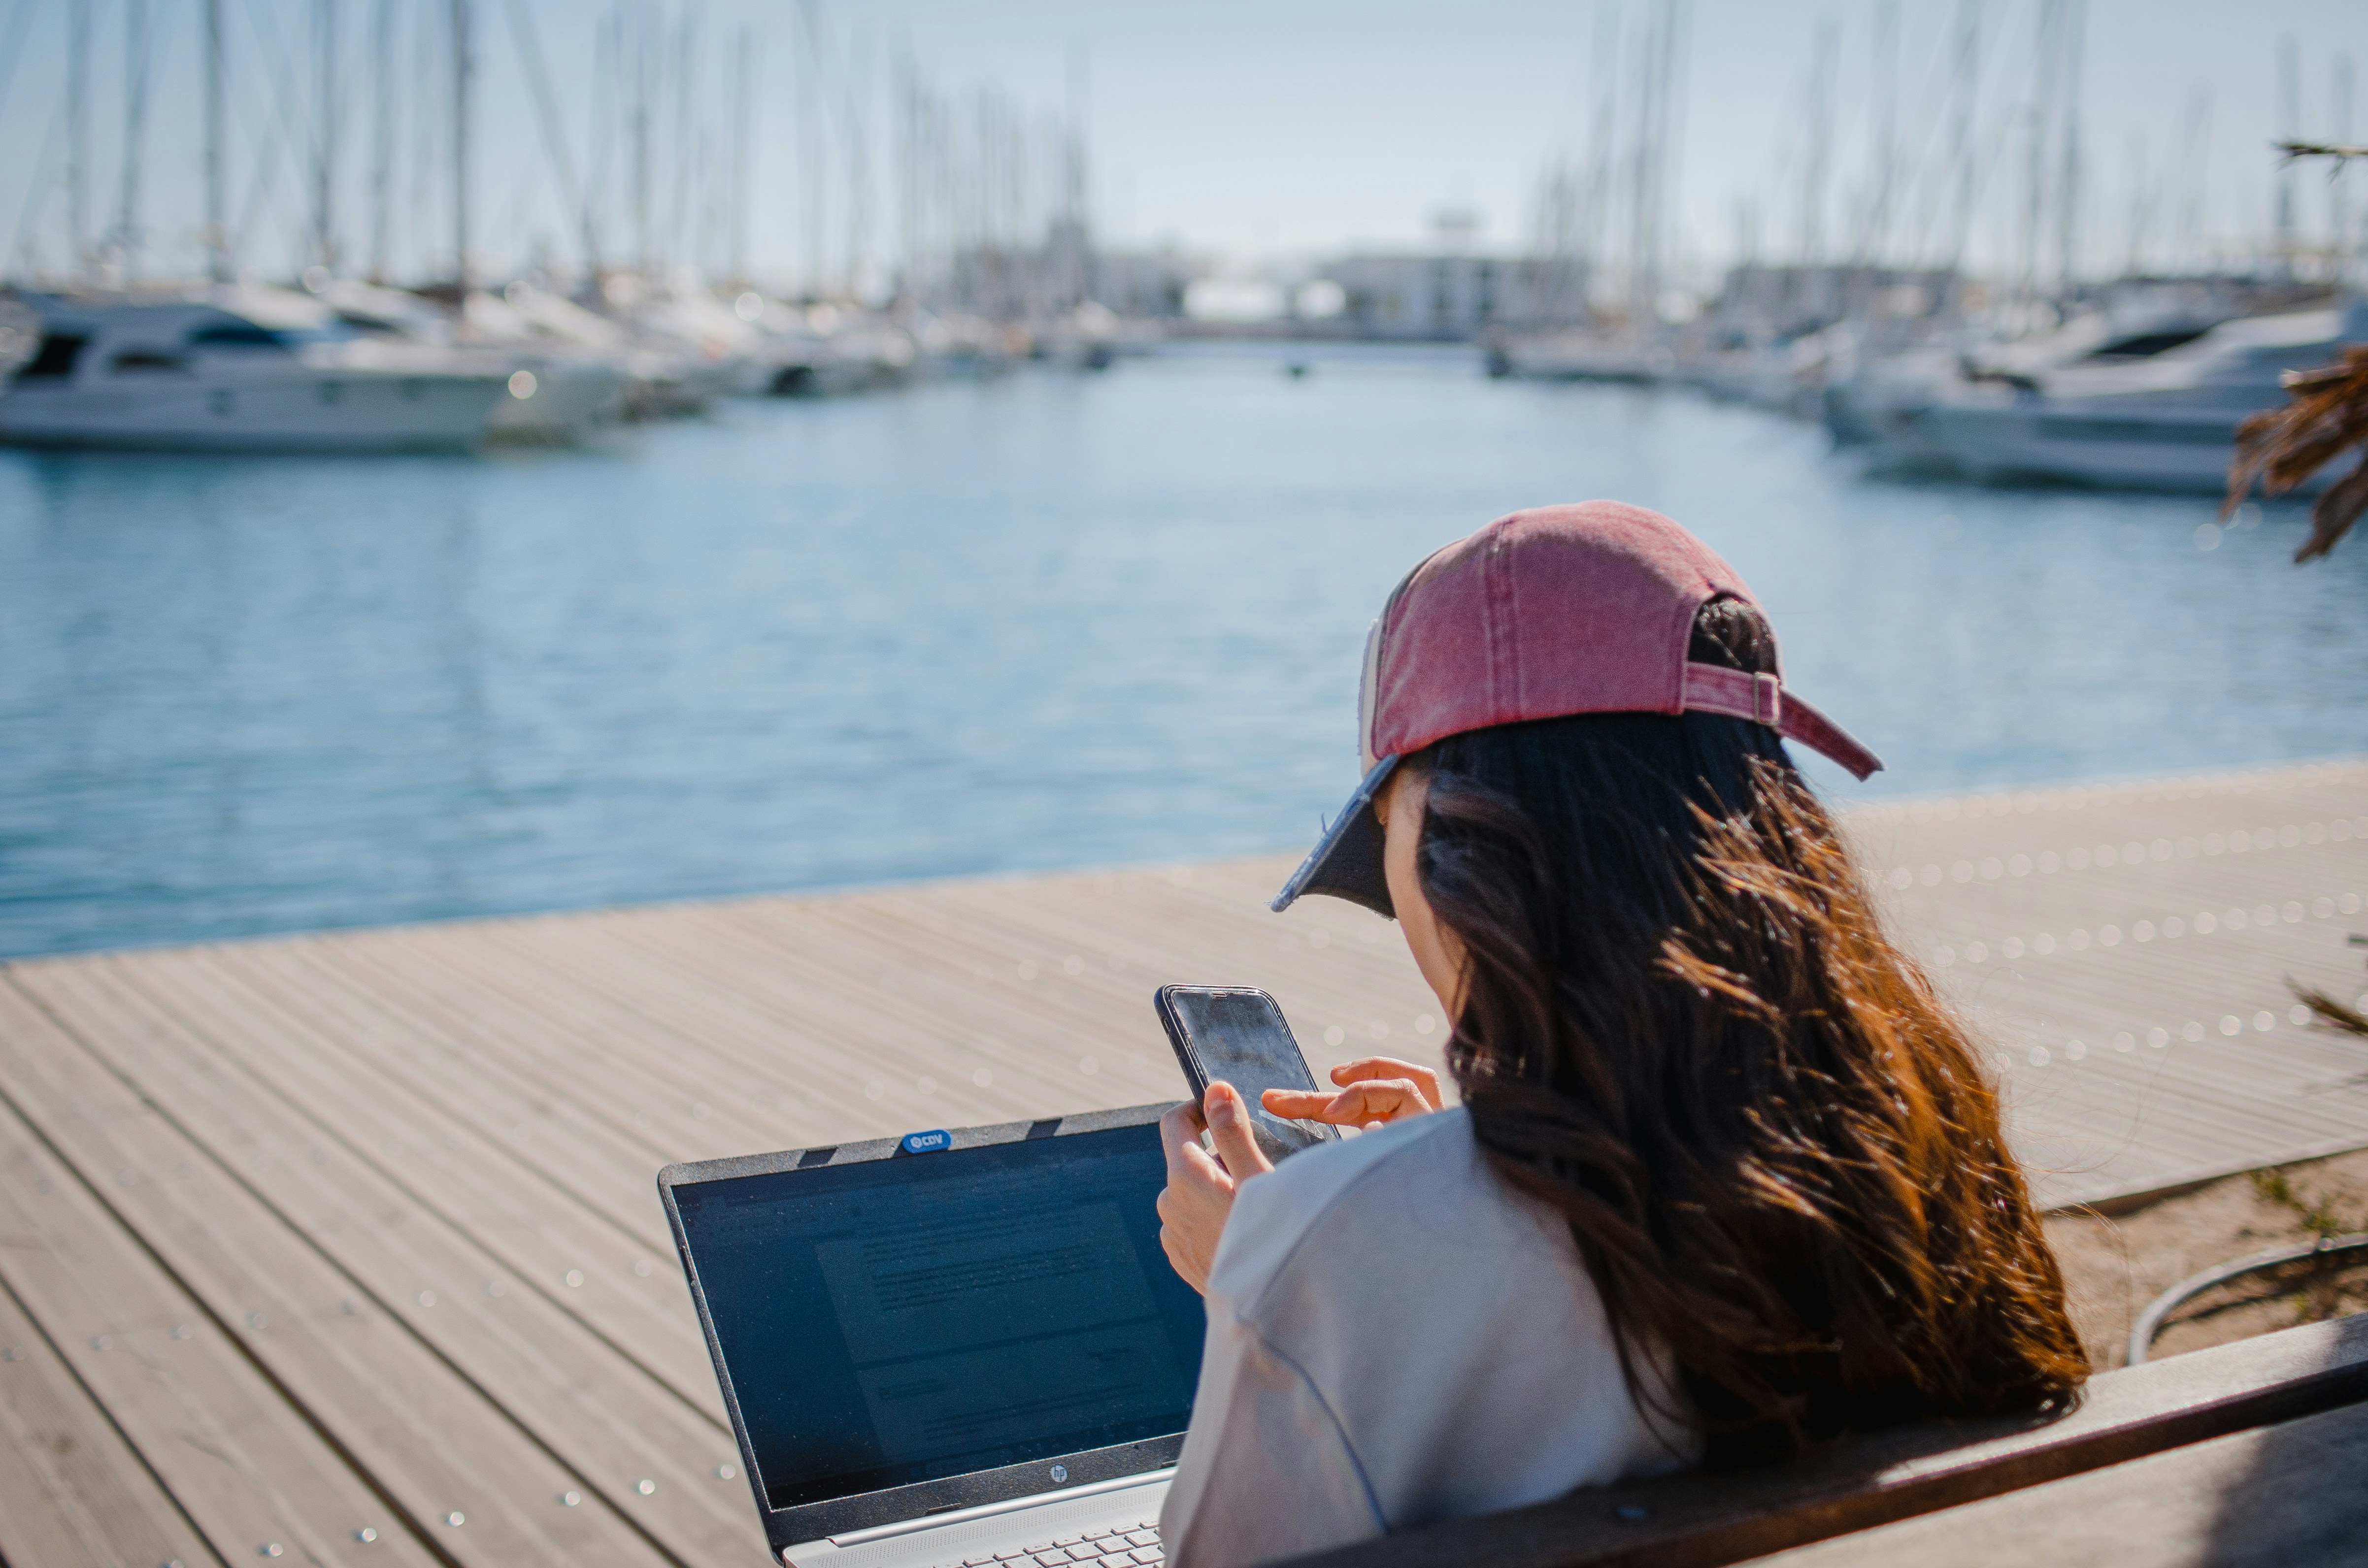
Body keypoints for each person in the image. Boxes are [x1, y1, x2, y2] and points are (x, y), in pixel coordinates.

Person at [1151, 502, 2086, 1568]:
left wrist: (1277, 1284)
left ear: (1465, 849)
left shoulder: (1323, 1252)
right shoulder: (1925, 1154)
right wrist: (1438, 1184)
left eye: (1389, 826)